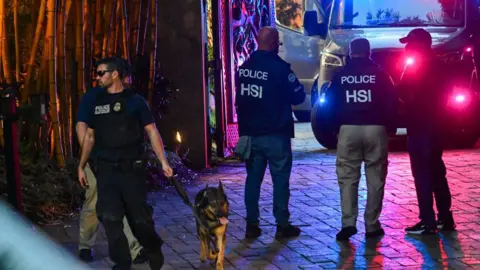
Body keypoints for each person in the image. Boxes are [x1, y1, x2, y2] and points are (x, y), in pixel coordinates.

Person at [77, 57, 173, 270]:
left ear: (115, 74)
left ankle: (153, 247)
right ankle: (122, 262)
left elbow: (151, 131)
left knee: (139, 220)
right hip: (106, 171)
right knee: (110, 218)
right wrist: (81, 165)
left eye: (101, 72)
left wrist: (164, 162)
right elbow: (89, 137)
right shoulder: (96, 102)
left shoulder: (135, 101)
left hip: (132, 170)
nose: (97, 76)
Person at [235, 26, 306, 239]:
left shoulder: (244, 67)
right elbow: (299, 97)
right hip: (276, 134)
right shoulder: (280, 69)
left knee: (252, 181)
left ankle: (251, 224)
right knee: (280, 181)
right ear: (275, 43)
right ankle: (282, 224)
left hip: (250, 135)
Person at [326, 38, 397, 241]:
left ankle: (348, 223)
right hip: (376, 129)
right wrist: (390, 128)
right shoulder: (381, 75)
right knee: (376, 178)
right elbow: (392, 102)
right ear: (369, 53)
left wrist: (334, 129)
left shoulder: (340, 75)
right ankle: (372, 225)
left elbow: (329, 103)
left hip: (348, 129)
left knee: (348, 178)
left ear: (350, 53)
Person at [76, 86, 148, 264]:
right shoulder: (92, 97)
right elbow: (81, 126)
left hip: (120, 162)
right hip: (96, 160)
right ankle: (85, 246)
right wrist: (88, 159)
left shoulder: (129, 98)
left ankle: (134, 249)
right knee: (93, 202)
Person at [398, 28, 455, 235]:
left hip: (420, 125)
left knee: (421, 173)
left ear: (419, 45)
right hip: (437, 125)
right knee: (437, 171)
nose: (406, 48)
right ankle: (445, 217)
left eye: (410, 44)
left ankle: (427, 220)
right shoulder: (440, 64)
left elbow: (407, 93)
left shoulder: (416, 66)